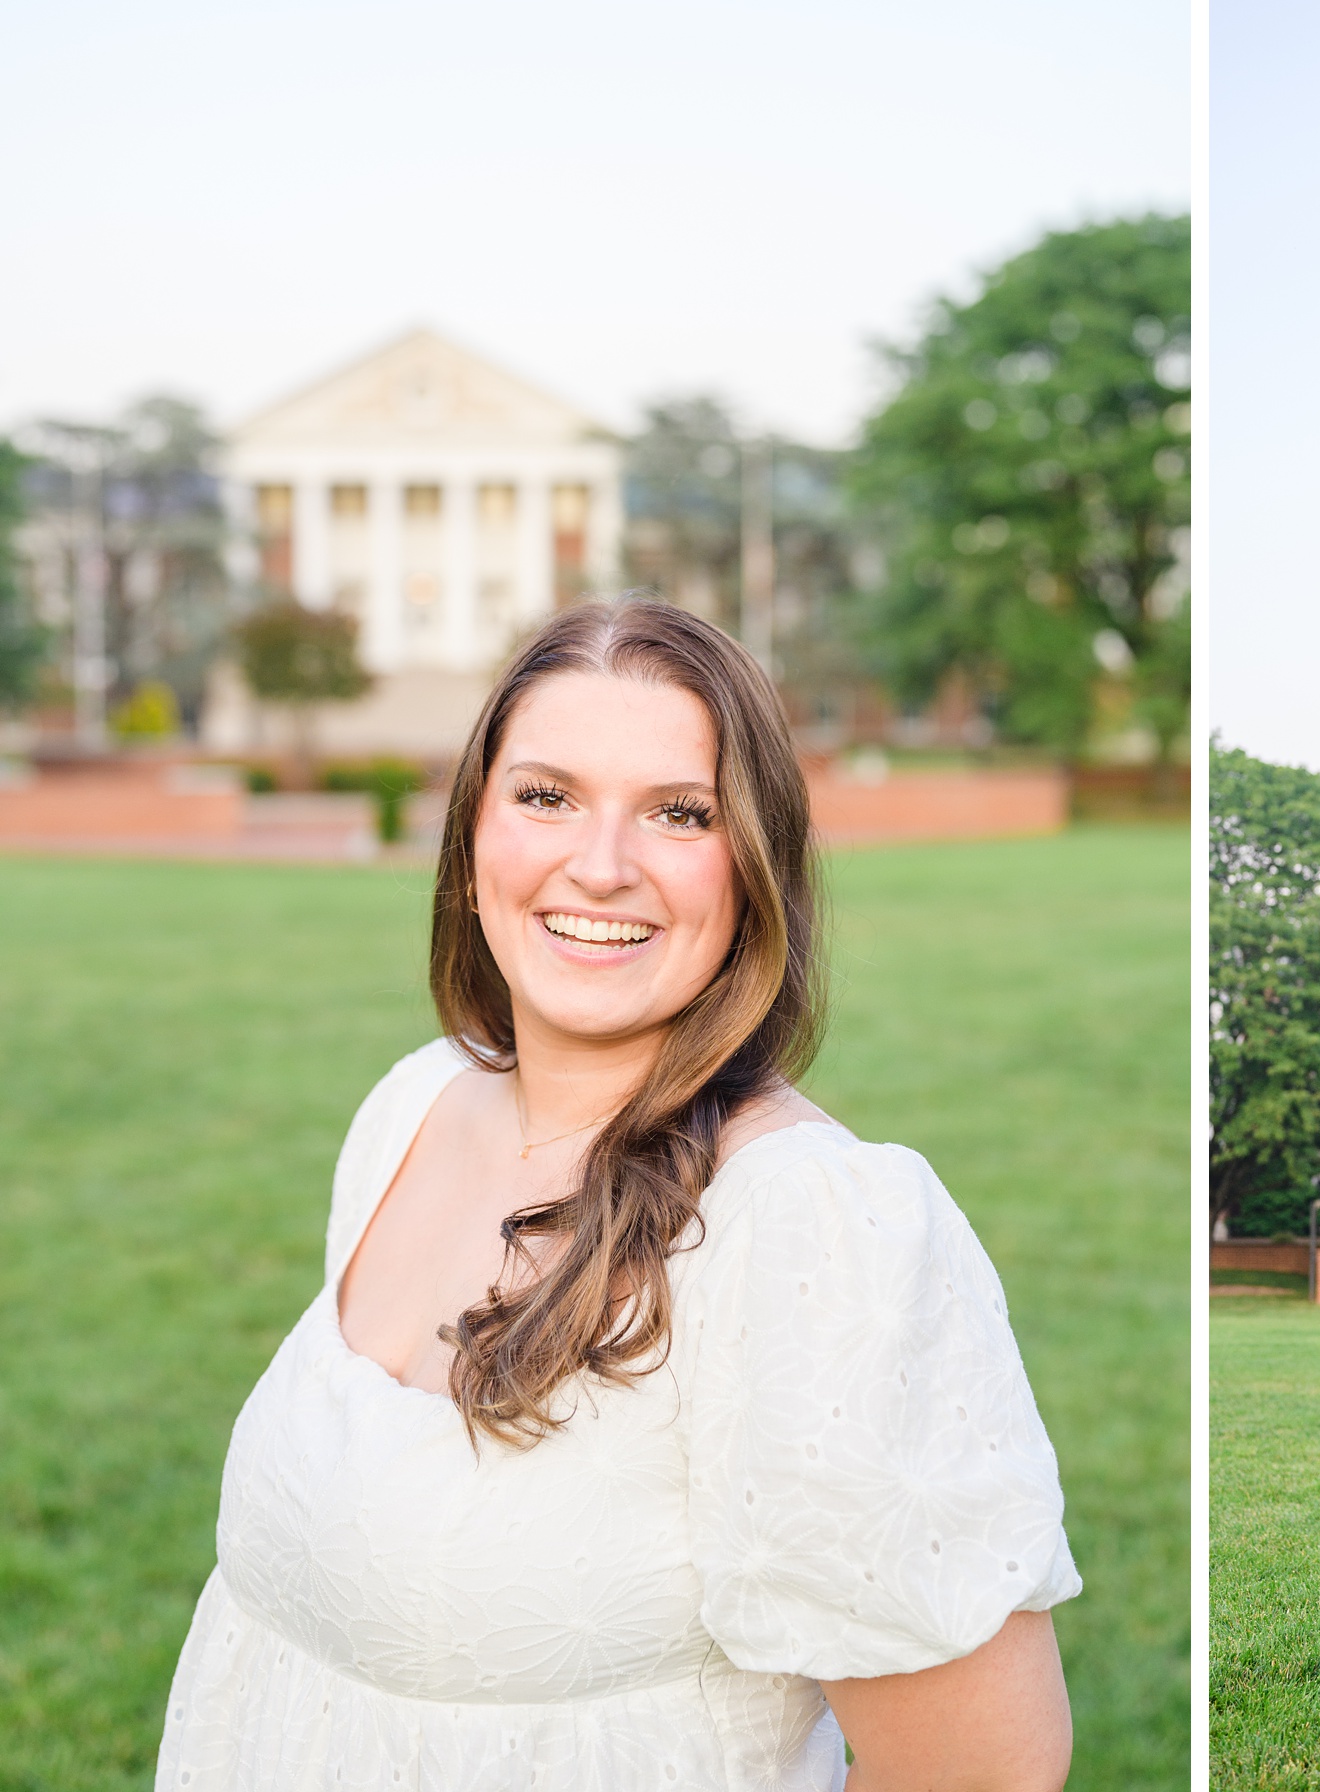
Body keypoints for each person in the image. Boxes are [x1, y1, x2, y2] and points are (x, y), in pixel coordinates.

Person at [158, 599, 1079, 1791]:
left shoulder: (807, 1225)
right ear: (473, 832)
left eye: (679, 814)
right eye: (545, 795)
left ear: (754, 864)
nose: (599, 865)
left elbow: (980, 1772)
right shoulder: (416, 1104)